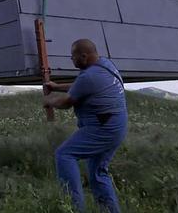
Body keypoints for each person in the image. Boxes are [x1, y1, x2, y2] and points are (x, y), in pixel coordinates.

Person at [43, 39, 128, 213]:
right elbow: (81, 87)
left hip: (103, 128)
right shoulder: (105, 65)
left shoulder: (90, 76)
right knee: (97, 173)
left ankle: (73, 208)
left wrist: (49, 101)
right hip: (116, 125)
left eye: (73, 57)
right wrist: (57, 87)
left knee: (64, 154)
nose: (71, 60)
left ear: (84, 56)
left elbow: (67, 102)